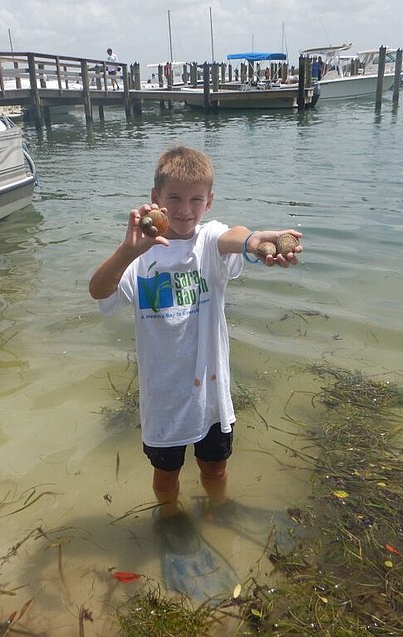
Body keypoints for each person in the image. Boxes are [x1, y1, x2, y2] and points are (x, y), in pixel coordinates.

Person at [88, 146, 302, 522]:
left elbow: (232, 237)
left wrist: (254, 242)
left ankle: (217, 512)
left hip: (211, 398)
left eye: (195, 200)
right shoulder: (138, 256)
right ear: (155, 199)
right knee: (165, 474)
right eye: (174, 198)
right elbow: (98, 290)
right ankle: (169, 519)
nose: (185, 209)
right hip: (163, 397)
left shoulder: (208, 242)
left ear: (209, 202)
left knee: (215, 468)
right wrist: (126, 251)